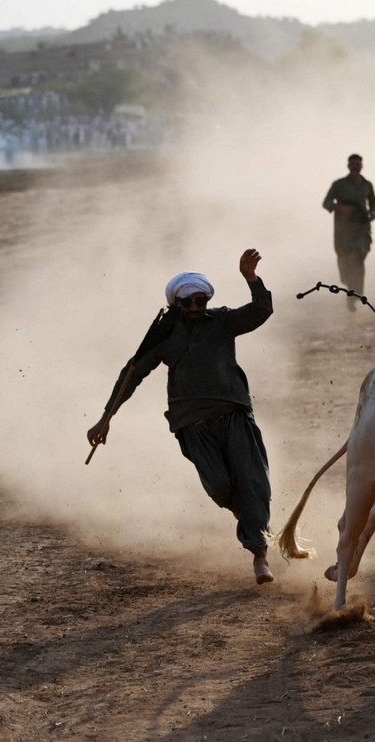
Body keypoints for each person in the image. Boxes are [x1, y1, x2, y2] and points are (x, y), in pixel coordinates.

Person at [86, 249, 277, 585]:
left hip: (233, 412)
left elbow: (261, 310)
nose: (194, 308)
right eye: (187, 303)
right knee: (220, 487)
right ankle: (250, 521)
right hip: (192, 423)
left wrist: (251, 278)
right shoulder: (163, 335)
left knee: (253, 481)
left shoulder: (221, 321)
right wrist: (106, 418)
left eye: (200, 301)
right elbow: (131, 375)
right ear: (176, 303)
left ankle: (259, 552)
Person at [322, 154, 375, 312]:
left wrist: (373, 211)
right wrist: (340, 208)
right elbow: (326, 203)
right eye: (352, 163)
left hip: (361, 227)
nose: (355, 166)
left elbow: (372, 201)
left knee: (358, 257)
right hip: (343, 229)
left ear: (362, 166)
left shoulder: (367, 184)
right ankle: (349, 289)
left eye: (358, 164)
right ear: (348, 166)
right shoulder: (338, 185)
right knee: (346, 260)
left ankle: (355, 295)